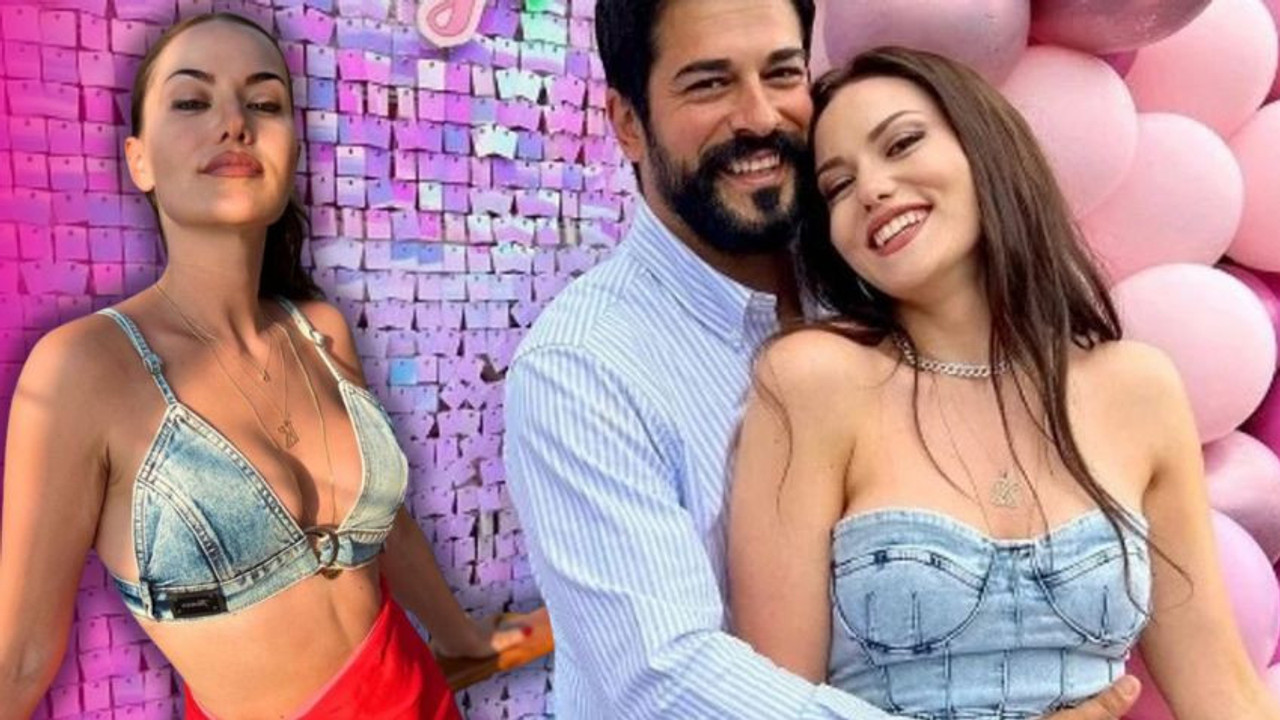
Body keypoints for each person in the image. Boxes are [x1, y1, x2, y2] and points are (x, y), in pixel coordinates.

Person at [504, 0, 1140, 717]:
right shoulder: (581, 368)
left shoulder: (881, 272)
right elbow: (664, 677)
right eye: (709, 83)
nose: (759, 117)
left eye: (782, 73)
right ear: (627, 122)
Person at [728, 46, 1280, 718]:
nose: (871, 189)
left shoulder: (1137, 388)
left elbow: (1221, 690)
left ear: (984, 147)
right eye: (837, 186)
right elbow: (771, 705)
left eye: (901, 144)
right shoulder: (813, 382)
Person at [0, 13, 525, 719]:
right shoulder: (85, 368)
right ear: (138, 160)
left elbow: (389, 529)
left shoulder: (320, 331)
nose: (234, 124)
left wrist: (466, 638)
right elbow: (20, 660)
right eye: (193, 101)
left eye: (264, 102)